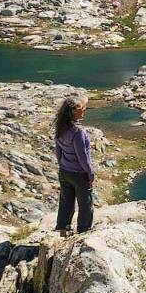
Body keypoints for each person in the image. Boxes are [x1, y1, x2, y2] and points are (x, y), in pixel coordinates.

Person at [53, 95, 95, 235]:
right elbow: (83, 156)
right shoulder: (78, 132)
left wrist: (62, 166)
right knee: (85, 204)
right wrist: (90, 173)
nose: (83, 112)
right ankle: (83, 232)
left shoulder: (60, 127)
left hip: (65, 172)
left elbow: (58, 151)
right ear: (73, 112)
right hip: (79, 174)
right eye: (81, 109)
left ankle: (63, 231)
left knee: (66, 202)